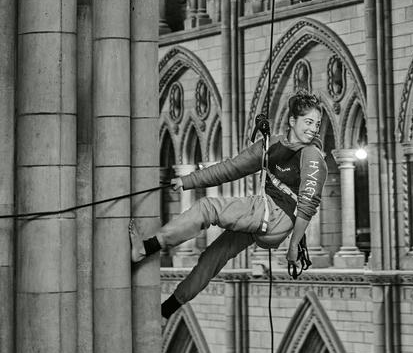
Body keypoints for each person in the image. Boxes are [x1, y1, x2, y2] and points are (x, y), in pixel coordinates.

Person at [131, 91, 328, 318]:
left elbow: (307, 204)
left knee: (208, 208)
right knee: (213, 257)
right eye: (309, 122)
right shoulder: (269, 146)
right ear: (293, 121)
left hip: (275, 217)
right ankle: (166, 311)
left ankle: (147, 248)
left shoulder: (312, 155)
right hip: (265, 220)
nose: (314, 129)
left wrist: (294, 247)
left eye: (317, 124)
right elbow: (231, 168)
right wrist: (187, 181)